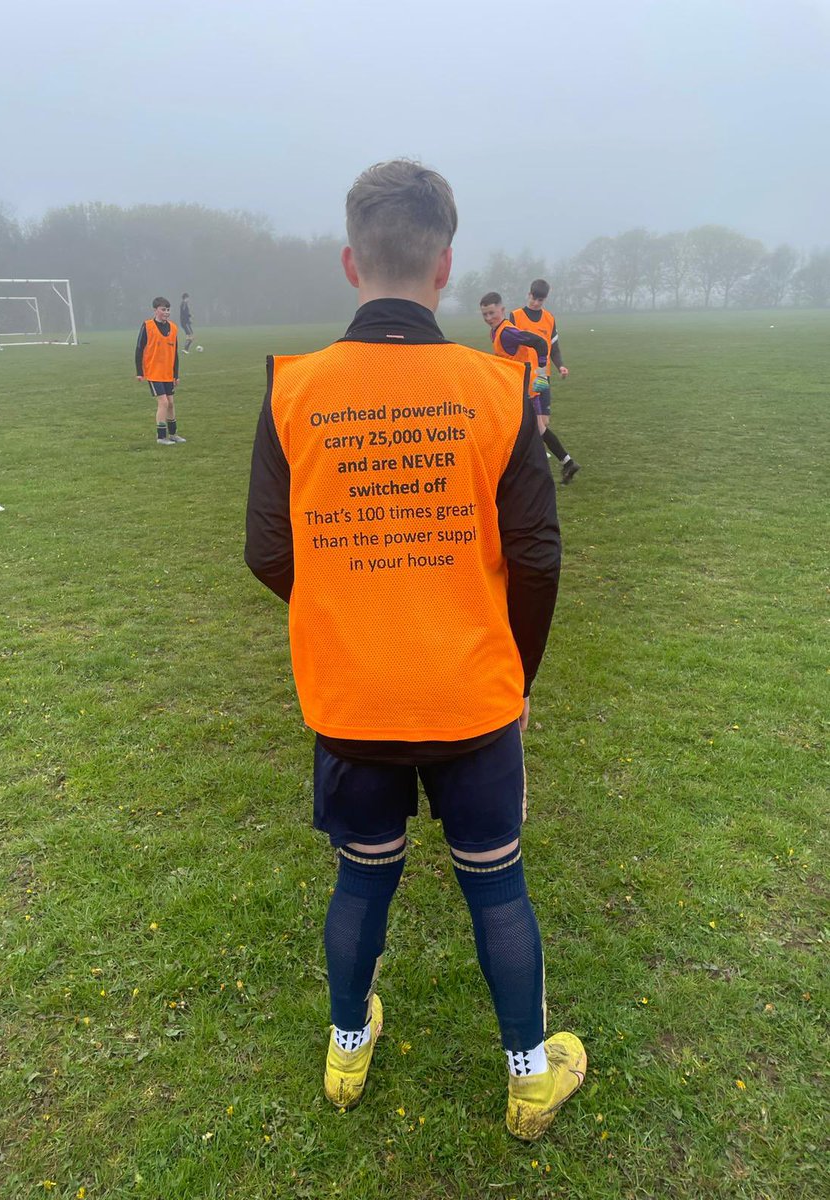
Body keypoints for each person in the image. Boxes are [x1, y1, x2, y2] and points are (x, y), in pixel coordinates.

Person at [245, 160, 585, 1141]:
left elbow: (270, 550)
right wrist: (517, 674)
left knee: (363, 875)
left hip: (354, 699)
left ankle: (347, 1048)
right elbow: (538, 556)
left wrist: (352, 609)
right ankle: (529, 1078)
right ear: (445, 267)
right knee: (498, 882)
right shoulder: (496, 386)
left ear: (353, 261)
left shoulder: (293, 389)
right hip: (472, 696)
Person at [510, 281, 579, 484]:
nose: (535, 302)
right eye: (533, 298)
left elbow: (554, 349)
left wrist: (561, 366)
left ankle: (548, 460)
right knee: (534, 424)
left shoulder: (549, 319)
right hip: (522, 375)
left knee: (543, 422)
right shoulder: (516, 316)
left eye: (540, 300)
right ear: (528, 294)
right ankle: (554, 460)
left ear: (545, 299)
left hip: (541, 376)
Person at [479, 291, 560, 441]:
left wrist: (542, 373)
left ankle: (556, 459)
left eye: (491, 313)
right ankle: (565, 460)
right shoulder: (495, 331)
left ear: (502, 310)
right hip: (514, 385)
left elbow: (540, 342)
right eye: (485, 315)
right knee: (535, 427)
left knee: (536, 427)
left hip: (525, 386)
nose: (488, 318)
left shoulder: (507, 332)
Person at [135, 297, 185, 445]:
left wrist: (176, 374)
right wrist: (139, 371)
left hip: (168, 373)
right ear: (155, 310)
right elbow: (139, 349)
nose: (166, 312)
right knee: (163, 402)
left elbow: (174, 353)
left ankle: (174, 434)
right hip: (153, 372)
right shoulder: (147, 326)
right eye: (163, 309)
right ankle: (161, 437)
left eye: (168, 310)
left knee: (170, 402)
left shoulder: (173, 328)